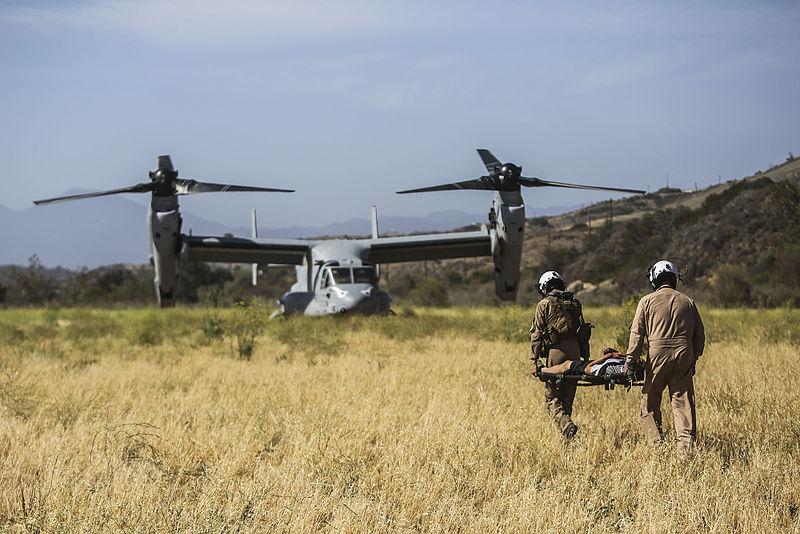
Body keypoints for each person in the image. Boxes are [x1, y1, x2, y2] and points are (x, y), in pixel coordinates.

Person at [625, 260, 705, 449]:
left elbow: (637, 334)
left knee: (649, 402)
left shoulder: (646, 301)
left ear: (654, 280)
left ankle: (656, 447)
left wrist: (631, 361)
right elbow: (699, 337)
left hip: (657, 355)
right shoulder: (688, 302)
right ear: (675, 279)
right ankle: (685, 450)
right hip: (683, 355)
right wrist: (693, 358)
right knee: (683, 404)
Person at [530, 271, 592, 439]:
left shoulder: (544, 304)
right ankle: (567, 441)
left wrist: (534, 360)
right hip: (575, 354)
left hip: (556, 354)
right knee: (567, 400)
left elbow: (536, 334)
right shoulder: (575, 303)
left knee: (552, 399)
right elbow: (583, 334)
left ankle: (567, 426)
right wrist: (585, 359)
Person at [539, 348, 627, 377]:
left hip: (586, 367)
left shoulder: (608, 370)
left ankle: (543, 370)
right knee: (567, 363)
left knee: (567, 365)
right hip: (600, 363)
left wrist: (606, 357)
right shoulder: (623, 363)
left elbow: (588, 368)